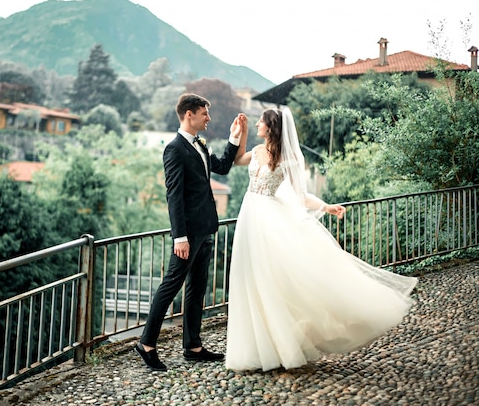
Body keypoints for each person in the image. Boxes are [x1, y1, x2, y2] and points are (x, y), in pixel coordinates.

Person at [225, 106, 418, 372]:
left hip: (268, 220)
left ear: (271, 127)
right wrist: (242, 133)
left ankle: (281, 344)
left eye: (260, 122)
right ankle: (259, 347)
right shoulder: (257, 152)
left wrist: (326, 206)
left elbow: (300, 194)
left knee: (272, 280)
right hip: (250, 217)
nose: (257, 123)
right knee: (251, 279)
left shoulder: (289, 158)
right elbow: (236, 160)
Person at [135, 93, 247, 371]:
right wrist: (179, 237)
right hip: (189, 234)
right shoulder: (174, 149)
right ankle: (146, 343)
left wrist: (234, 138)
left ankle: (193, 346)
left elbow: (220, 167)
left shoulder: (199, 144)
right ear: (189, 114)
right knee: (170, 285)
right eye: (204, 113)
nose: (208, 118)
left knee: (197, 289)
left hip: (206, 228)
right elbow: (174, 195)